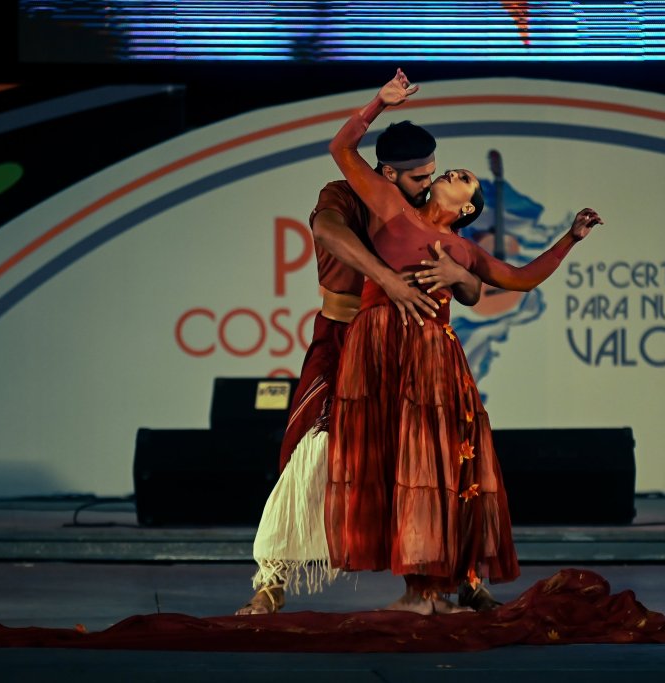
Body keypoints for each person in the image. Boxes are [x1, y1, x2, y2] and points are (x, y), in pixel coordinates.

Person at [325, 69, 603, 614]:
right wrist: (379, 103)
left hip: (432, 357)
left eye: (464, 179)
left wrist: (569, 238)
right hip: (378, 346)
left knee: (440, 462)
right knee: (392, 460)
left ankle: (447, 582)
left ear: (466, 209)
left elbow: (520, 278)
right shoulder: (390, 206)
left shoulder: (463, 250)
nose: (453, 173)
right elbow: (341, 149)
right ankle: (419, 587)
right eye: (448, 172)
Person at [237, 121, 484, 616]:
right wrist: (386, 280)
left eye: (433, 175)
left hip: (407, 350)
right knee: (312, 450)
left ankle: (460, 579)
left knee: (433, 457)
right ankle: (272, 580)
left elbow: (476, 283)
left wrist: (460, 275)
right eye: (419, 178)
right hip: (344, 340)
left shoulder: (428, 215)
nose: (428, 185)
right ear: (388, 173)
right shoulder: (345, 194)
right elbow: (326, 232)